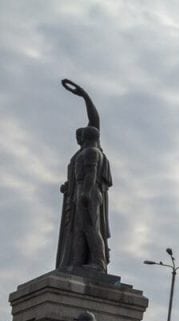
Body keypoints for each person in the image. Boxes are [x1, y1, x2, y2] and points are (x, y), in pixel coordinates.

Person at [56, 80, 112, 275]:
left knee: (90, 226)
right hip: (77, 192)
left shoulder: (93, 151)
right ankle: (77, 261)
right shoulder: (81, 153)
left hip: (88, 192)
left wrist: (85, 97)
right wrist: (68, 186)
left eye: (79, 136)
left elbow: (94, 120)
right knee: (77, 229)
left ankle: (98, 262)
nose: (77, 139)